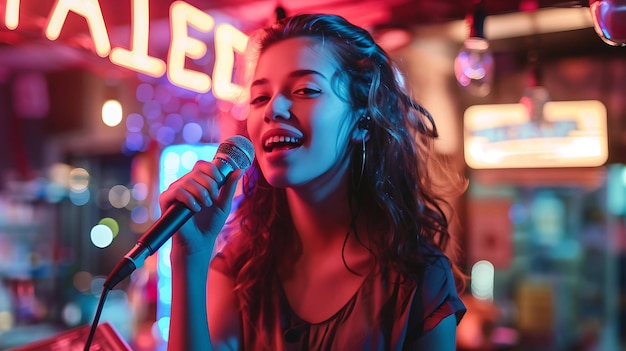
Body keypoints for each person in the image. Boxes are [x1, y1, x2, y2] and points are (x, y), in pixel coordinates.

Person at [161, 13, 467, 351]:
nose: (273, 108)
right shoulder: (240, 269)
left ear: (362, 120)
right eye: (260, 97)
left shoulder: (416, 280)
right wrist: (192, 256)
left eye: (305, 89)